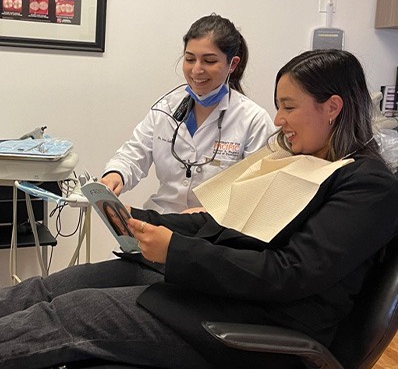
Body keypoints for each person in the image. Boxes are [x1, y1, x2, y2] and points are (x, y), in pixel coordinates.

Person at [0, 49, 397, 369]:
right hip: (220, 288)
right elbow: (228, 223)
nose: (278, 120)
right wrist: (141, 221)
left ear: (332, 107)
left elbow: (289, 273)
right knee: (55, 287)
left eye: (289, 107)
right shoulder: (299, 160)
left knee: (72, 314)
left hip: (260, 326)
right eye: (279, 106)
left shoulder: (367, 186)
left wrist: (175, 250)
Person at [101, 13, 275, 214]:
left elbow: (256, 192)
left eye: (209, 61)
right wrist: (116, 174)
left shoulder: (253, 120)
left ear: (232, 65)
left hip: (215, 229)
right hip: (162, 218)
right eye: (190, 59)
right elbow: (134, 154)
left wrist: (211, 211)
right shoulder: (165, 108)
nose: (196, 70)